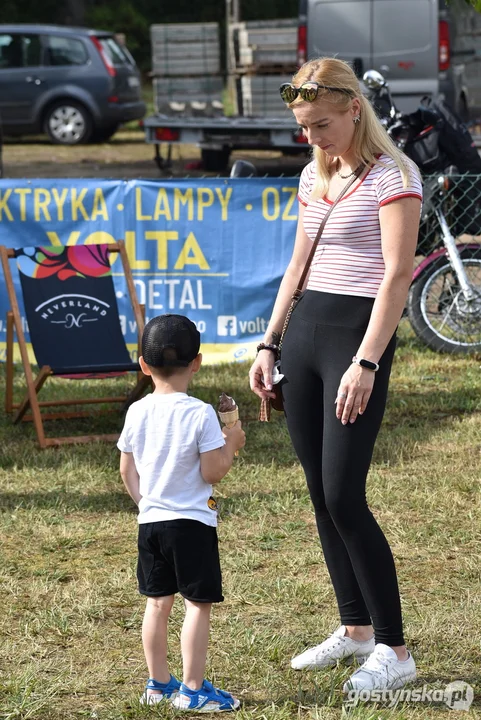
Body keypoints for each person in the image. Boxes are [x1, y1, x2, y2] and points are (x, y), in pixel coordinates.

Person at [249, 57, 422, 693]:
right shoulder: (313, 174)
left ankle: (396, 651)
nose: (312, 137)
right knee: (321, 494)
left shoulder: (395, 175)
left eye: (321, 124)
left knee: (346, 493)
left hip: (356, 339)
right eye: (303, 126)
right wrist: (269, 343)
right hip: (304, 338)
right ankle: (355, 631)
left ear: (355, 108)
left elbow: (396, 276)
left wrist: (368, 361)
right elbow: (296, 266)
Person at [118, 313, 245, 711]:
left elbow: (126, 468)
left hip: (150, 523)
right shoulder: (201, 413)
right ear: (197, 362)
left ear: (143, 364)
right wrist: (233, 443)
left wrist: (146, 504)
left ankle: (157, 685)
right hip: (191, 525)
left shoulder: (137, 411)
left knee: (156, 604)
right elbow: (213, 471)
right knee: (196, 606)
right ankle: (192, 690)